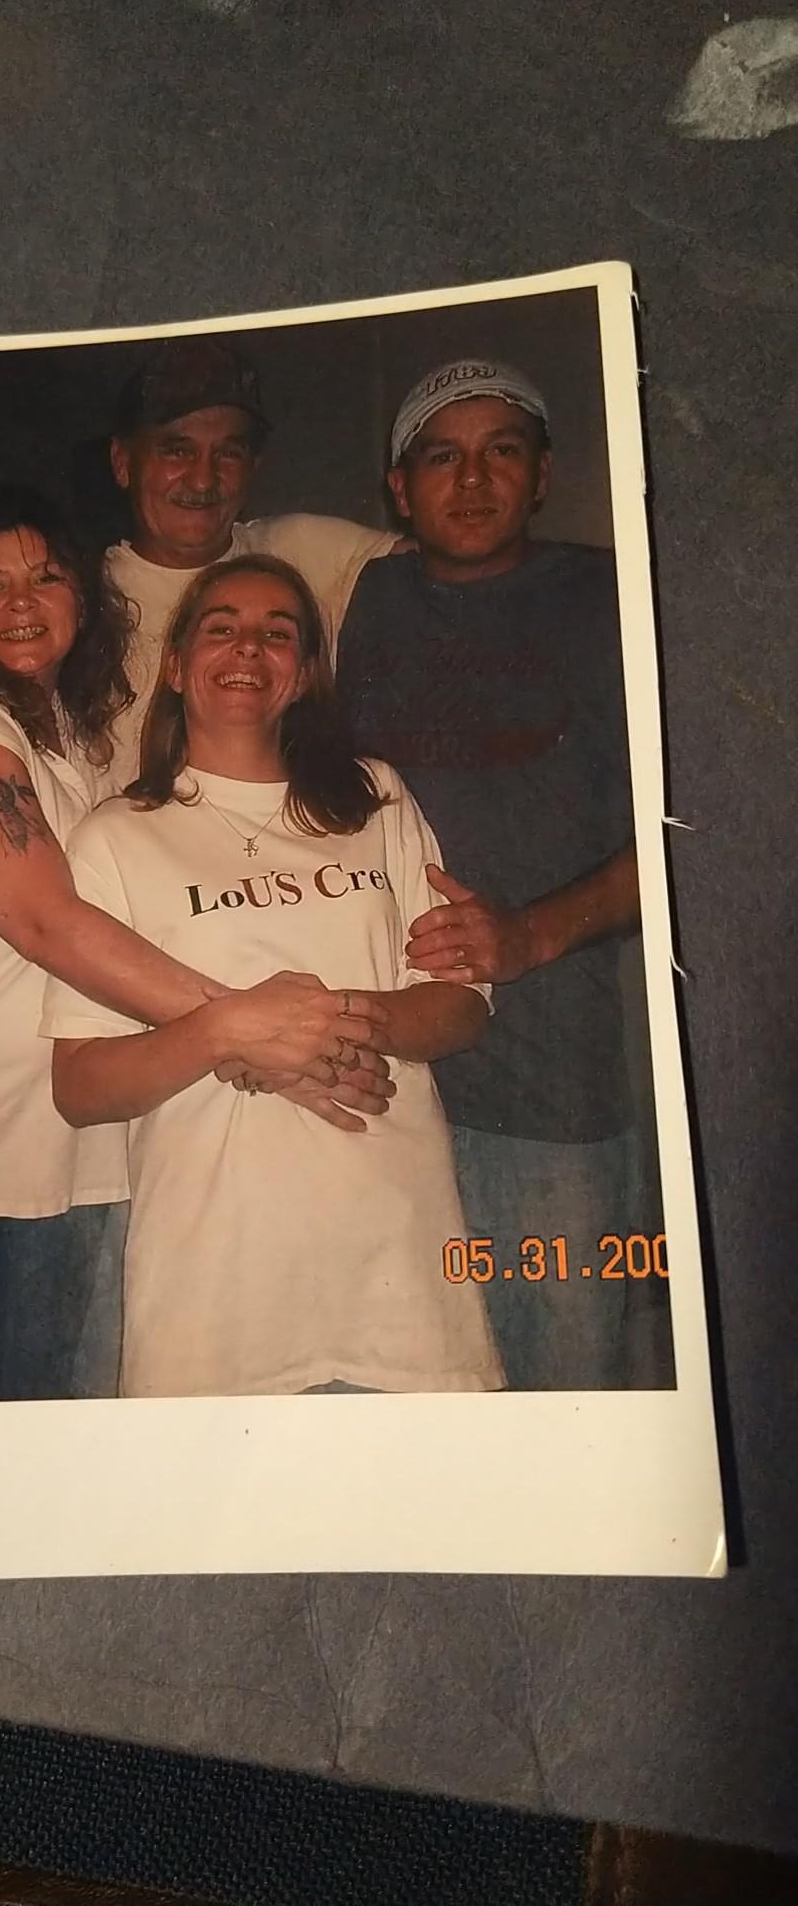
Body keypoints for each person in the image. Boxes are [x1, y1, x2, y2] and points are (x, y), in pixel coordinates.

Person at [0, 493, 387, 1406]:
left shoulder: (85, 742)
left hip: (69, 1158)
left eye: (47, 577)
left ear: (83, 599)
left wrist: (252, 1036)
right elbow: (48, 923)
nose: (23, 601)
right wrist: (254, 1032)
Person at [41, 556, 504, 1401]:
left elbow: (463, 1006)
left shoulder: (376, 799)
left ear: (306, 673)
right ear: (175, 664)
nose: (248, 647)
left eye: (278, 632)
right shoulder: (116, 837)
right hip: (215, 1284)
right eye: (221, 627)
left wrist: (333, 1023)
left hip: (398, 1267)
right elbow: (80, 1086)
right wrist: (225, 1031)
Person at [336, 358, 657, 1391]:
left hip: (550, 1096)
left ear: (543, 474)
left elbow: (691, 832)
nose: (470, 480)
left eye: (501, 451)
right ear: (399, 488)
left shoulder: (617, 600)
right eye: (442, 457)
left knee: (568, 1392)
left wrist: (532, 933)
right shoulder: (361, 598)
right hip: (385, 1096)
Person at [0, 335, 403, 848]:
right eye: (176, 450)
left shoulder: (304, 550)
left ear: (254, 467)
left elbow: (444, 555)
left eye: (228, 453)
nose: (202, 479)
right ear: (123, 462)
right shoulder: (70, 599)